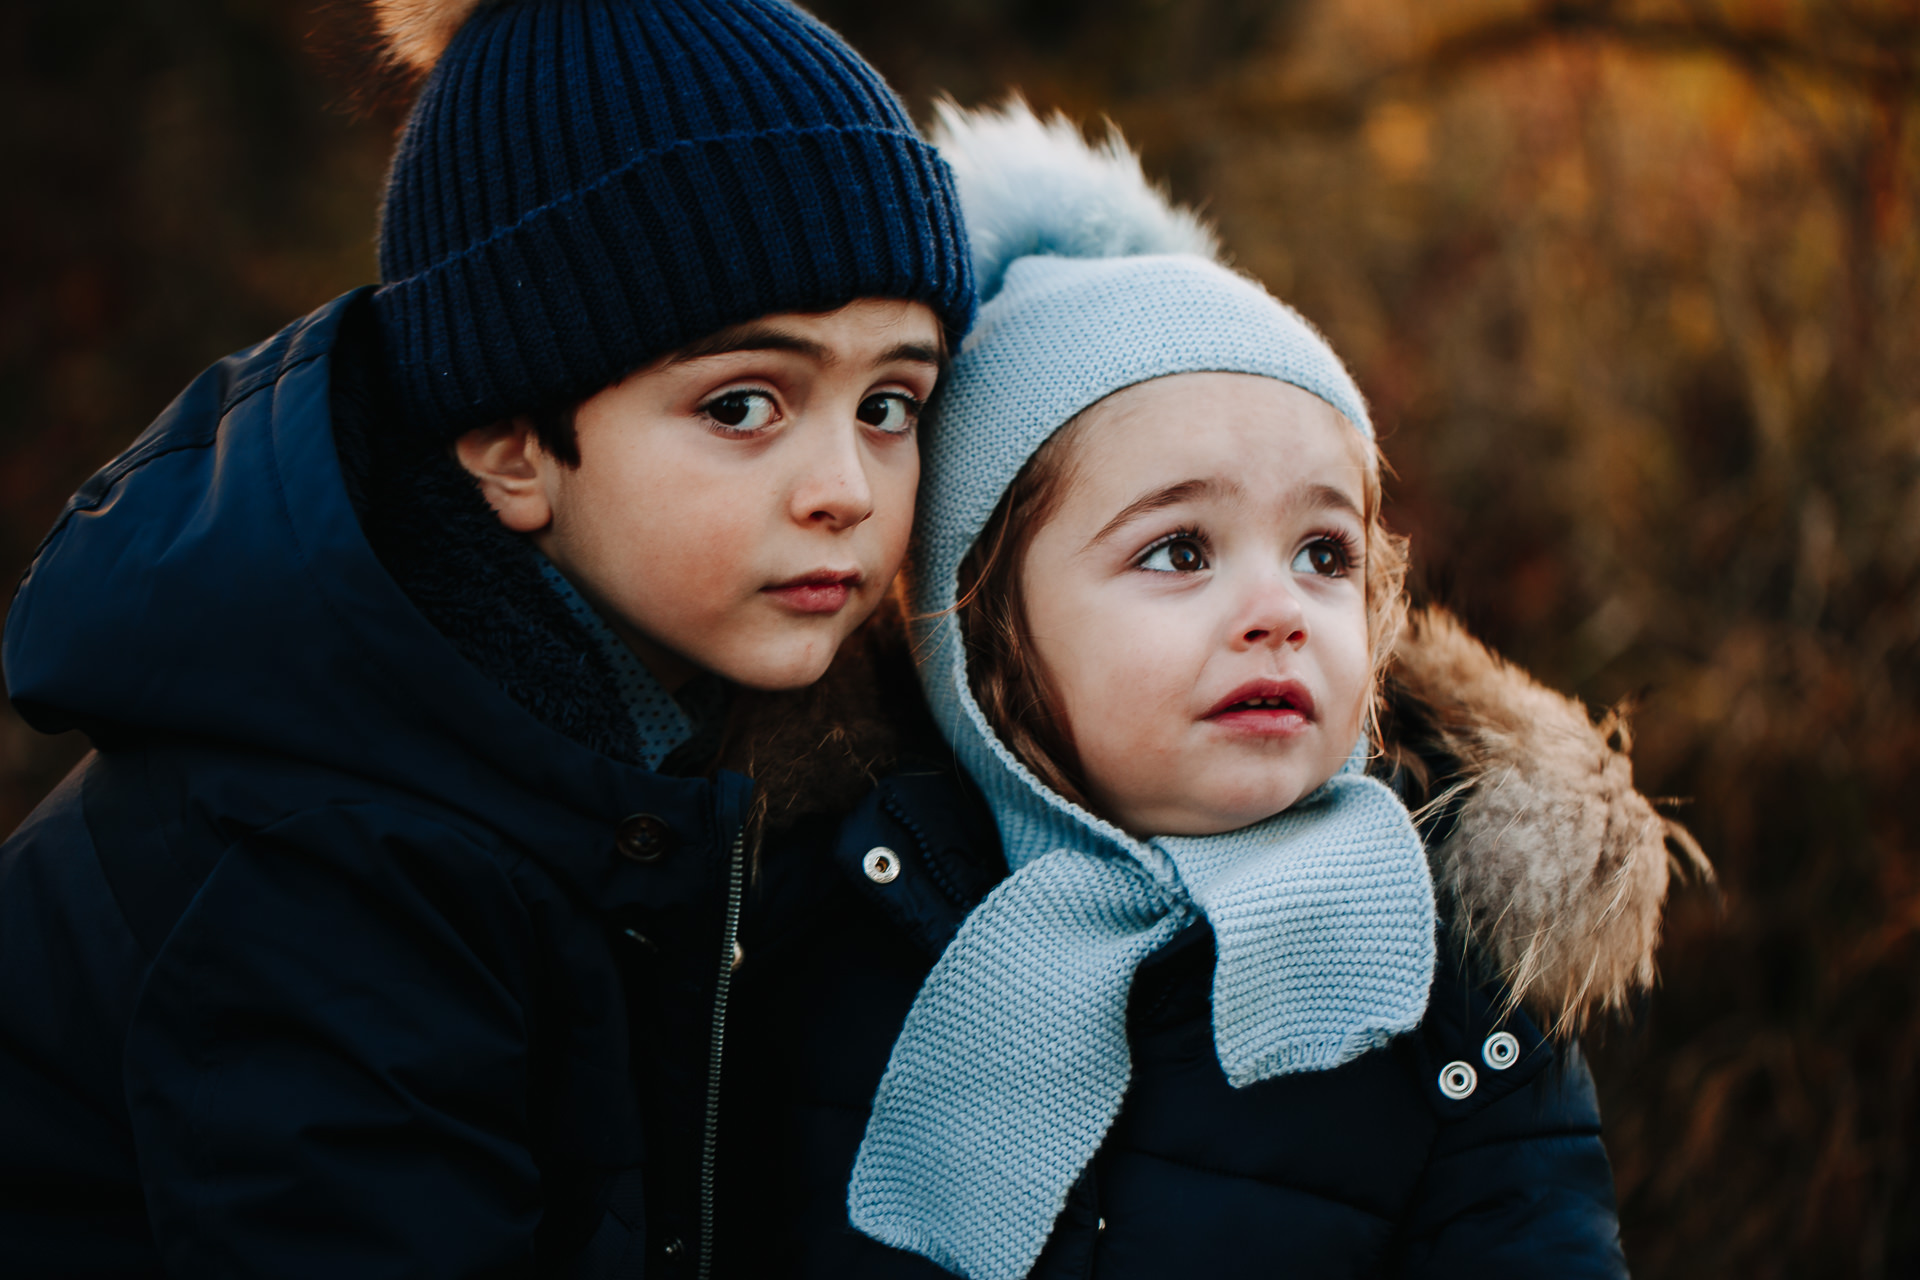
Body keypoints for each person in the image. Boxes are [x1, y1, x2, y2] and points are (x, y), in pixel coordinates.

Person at [0, 1, 983, 1275]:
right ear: (512, 446)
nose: (845, 485)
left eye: (891, 401)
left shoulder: (710, 738)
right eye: (745, 403)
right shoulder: (324, 848)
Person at [844, 101, 1703, 1278]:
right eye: (1180, 551)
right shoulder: (839, 909)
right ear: (985, 623)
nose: (1278, 609)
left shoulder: (1454, 993)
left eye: (1325, 553)